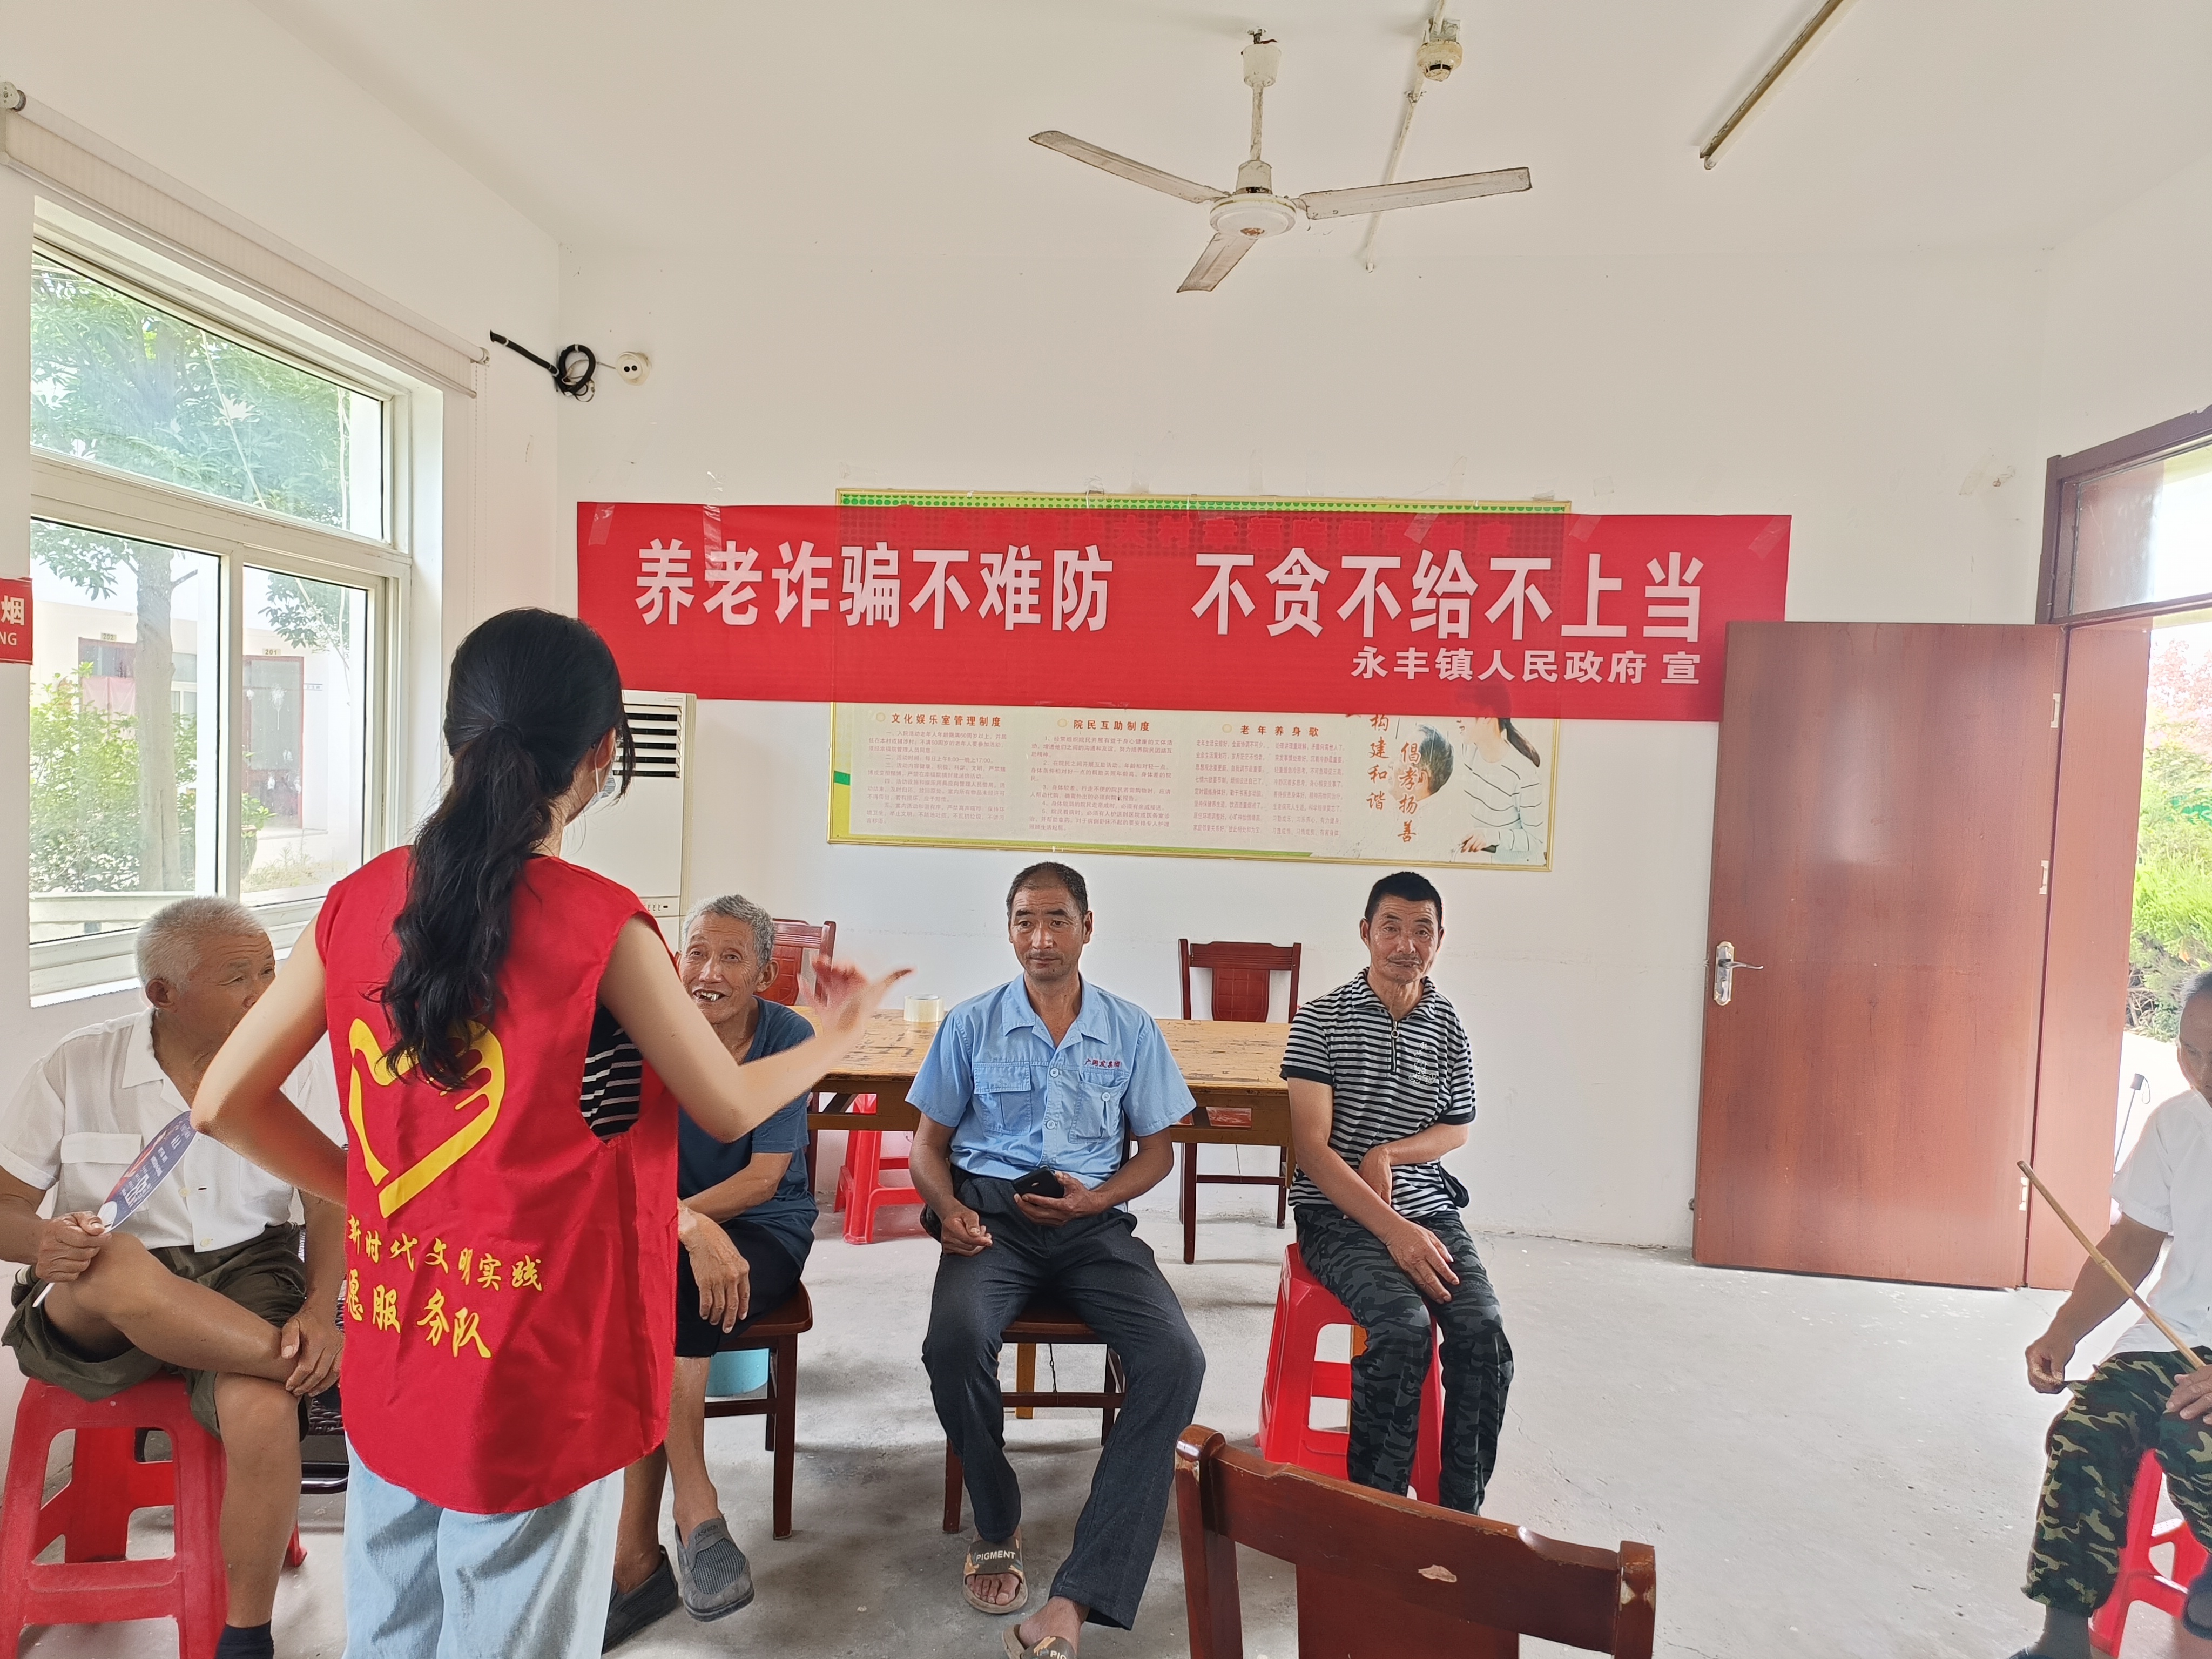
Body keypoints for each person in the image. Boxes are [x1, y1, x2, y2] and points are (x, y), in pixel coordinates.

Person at [192, 608, 902, 1659]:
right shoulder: (598, 924)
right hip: (535, 1361)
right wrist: (835, 1033)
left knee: (393, 1627)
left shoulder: (354, 904)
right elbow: (725, 1103)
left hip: (399, 1337)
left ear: (453, 734)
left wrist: (372, 1189)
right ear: (603, 753)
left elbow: (222, 1103)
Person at [0, 897, 345, 1659]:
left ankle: (245, 1635)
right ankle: (311, 1370)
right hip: (103, 1299)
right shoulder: (76, 1065)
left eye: (270, 971)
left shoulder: (300, 1063)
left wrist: (323, 1309)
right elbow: (5, 1207)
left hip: (249, 1274)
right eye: (238, 977)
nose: (265, 993)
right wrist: (45, 1239)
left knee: (262, 1411)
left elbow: (330, 1201)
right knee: (115, 1259)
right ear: (163, 994)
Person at [908, 861, 1205, 1659]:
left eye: (1056, 920)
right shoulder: (970, 1024)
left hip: (1091, 1225)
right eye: (1024, 921)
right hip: (992, 1221)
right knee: (954, 1341)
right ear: (1009, 929)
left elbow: (1156, 1153)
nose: (1040, 938)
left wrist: (1094, 1201)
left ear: (1087, 927)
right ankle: (997, 1520)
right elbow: (927, 1148)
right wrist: (950, 1210)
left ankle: (1079, 1593)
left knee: (1176, 1358)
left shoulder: (1129, 1028)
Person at [605, 892, 820, 1648]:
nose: (709, 972)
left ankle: (662, 1537)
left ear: (763, 975)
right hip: (666, 1227)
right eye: (697, 952)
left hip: (765, 1227)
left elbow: (765, 1178)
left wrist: (680, 1224)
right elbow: (611, 1159)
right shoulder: (644, 1030)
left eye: (732, 958)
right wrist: (683, 1225)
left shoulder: (787, 1037)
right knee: (662, 1286)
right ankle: (670, 1535)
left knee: (662, 1297)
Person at [1282, 870, 1510, 1514]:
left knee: (1482, 1332)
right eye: (1391, 928)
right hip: (1336, 1213)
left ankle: (1457, 1516)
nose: (1406, 945)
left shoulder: (1447, 1025)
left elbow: (1457, 1127)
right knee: (1403, 1329)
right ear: (1365, 933)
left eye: (1421, 931)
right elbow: (1312, 1151)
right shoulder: (1320, 1020)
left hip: (1427, 1206)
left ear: (1439, 940)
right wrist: (1393, 1230)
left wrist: (1390, 1153)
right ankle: (1376, 1516)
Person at [2008, 971, 2212, 1659]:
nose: (2204, 1074)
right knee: (2085, 1431)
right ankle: (2063, 1641)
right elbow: (2130, 1245)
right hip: (2176, 1338)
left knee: (2194, 1436)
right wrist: (2064, 1330)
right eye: (2191, 1052)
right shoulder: (2177, 1124)